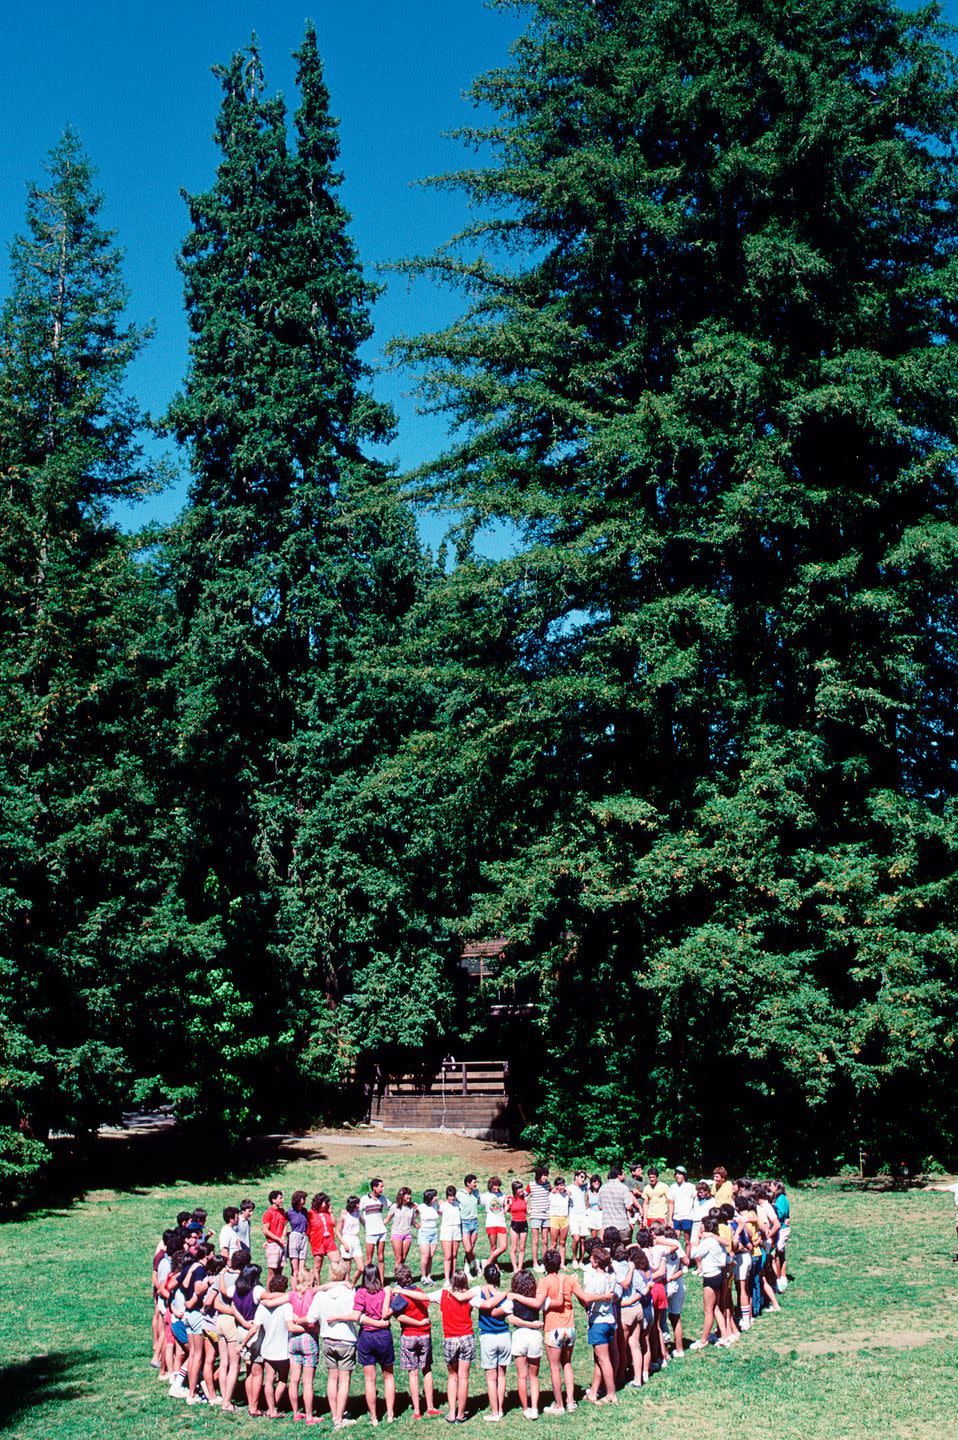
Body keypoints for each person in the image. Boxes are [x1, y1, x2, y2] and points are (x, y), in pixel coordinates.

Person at [306, 1259, 360, 1429]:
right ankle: (339, 1417)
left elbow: (310, 1319)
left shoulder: (321, 1295)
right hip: (346, 1341)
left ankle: (335, 1413)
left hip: (328, 1340)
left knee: (332, 1378)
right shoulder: (351, 1293)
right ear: (345, 1275)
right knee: (344, 1381)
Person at [349, 1262, 397, 1425]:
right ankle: (390, 1414)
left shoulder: (361, 1292)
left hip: (366, 1337)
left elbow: (357, 1315)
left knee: (370, 1380)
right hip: (383, 1336)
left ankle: (374, 1418)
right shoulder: (385, 1292)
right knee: (388, 1376)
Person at [392, 1265, 440, 1419]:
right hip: (424, 1335)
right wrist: (420, 1323)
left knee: (413, 1373)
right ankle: (431, 1406)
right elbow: (425, 1304)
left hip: (409, 1335)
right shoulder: (420, 1292)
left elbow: (398, 1316)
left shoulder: (400, 1296)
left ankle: (417, 1411)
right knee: (427, 1369)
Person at [576, 1243, 618, 1405]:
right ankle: (593, 1392)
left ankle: (611, 1393)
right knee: (598, 1359)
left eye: (592, 1258)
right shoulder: (611, 1277)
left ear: (596, 1262)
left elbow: (586, 1301)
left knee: (603, 1359)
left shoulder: (595, 1280)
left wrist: (577, 1289)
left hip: (598, 1322)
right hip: (609, 1319)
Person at [539, 1248, 578, 1414]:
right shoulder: (568, 1279)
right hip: (569, 1326)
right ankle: (570, 1401)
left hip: (553, 1327)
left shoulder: (544, 1281)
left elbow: (539, 1303)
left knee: (554, 1367)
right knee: (567, 1364)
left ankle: (559, 1404)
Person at [475, 1261, 511, 1421]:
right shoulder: (504, 1296)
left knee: (491, 1377)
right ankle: (501, 1409)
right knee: (502, 1375)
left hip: (488, 1336)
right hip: (504, 1336)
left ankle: (494, 1412)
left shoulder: (481, 1293)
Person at [507, 1269, 545, 1418]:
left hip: (519, 1335)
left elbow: (511, 1319)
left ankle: (525, 1409)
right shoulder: (535, 1298)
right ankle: (535, 1408)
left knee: (521, 1376)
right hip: (534, 1336)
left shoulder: (512, 1299)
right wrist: (533, 1325)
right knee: (534, 1376)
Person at [689, 1218, 731, 1349]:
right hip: (718, 1274)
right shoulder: (717, 1241)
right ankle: (724, 1337)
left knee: (708, 1311)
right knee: (716, 1307)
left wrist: (696, 1239)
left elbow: (693, 1253)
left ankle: (703, 1340)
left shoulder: (707, 1242)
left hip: (710, 1277)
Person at [287, 1266, 320, 1423]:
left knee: (294, 1379)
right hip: (308, 1337)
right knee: (307, 1381)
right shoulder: (312, 1294)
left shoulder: (292, 1295)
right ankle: (308, 1416)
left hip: (294, 1339)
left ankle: (295, 1412)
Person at [308, 1191, 341, 1285]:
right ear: (319, 1202)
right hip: (318, 1243)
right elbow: (307, 1229)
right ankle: (317, 1286)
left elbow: (334, 1223)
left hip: (330, 1242)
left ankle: (336, 1284)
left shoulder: (327, 1213)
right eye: (324, 1202)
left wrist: (330, 1212)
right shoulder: (311, 1214)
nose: (326, 1204)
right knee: (317, 1267)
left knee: (337, 1263)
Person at [360, 1179, 388, 1281]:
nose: (383, 1189)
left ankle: (381, 1283)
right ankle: (367, 1283)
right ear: (374, 1187)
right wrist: (365, 1224)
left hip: (382, 1232)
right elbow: (357, 1213)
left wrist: (387, 1219)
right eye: (381, 1186)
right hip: (371, 1233)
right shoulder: (364, 1199)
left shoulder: (383, 1198)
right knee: (369, 1260)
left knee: (381, 1258)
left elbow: (392, 1207)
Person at [598, 1167, 635, 1241]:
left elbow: (600, 1207)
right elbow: (628, 1206)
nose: (624, 1176)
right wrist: (632, 1212)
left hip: (607, 1228)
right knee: (623, 1250)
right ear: (618, 1175)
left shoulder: (602, 1188)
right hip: (622, 1227)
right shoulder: (623, 1188)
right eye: (623, 1174)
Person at [480, 1176, 509, 1268]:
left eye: (498, 1185)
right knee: (493, 1247)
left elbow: (504, 1209)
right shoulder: (485, 1196)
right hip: (491, 1223)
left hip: (501, 1223)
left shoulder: (502, 1195)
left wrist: (508, 1205)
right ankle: (496, 1267)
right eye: (494, 1185)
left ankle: (488, 1261)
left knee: (504, 1246)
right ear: (490, 1186)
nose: (496, 1187)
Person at [527, 1165, 552, 1271]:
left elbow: (553, 1192)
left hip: (546, 1215)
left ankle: (544, 1262)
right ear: (538, 1175)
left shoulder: (548, 1185)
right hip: (535, 1216)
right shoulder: (531, 1185)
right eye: (543, 1175)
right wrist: (527, 1208)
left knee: (545, 1241)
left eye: (546, 1175)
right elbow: (523, 1195)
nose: (545, 1177)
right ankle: (535, 1263)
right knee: (535, 1241)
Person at [386, 1186, 416, 1273]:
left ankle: (402, 1278)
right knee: (398, 1259)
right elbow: (387, 1219)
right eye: (407, 1195)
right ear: (401, 1196)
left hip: (407, 1234)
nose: (409, 1196)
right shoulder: (394, 1207)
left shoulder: (411, 1208)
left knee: (403, 1258)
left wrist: (421, 1227)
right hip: (397, 1234)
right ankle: (397, 1279)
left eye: (410, 1194)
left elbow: (413, 1222)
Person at [440, 1184, 463, 1285]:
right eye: (450, 1196)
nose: (452, 1198)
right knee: (448, 1256)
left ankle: (453, 1276)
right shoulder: (443, 1206)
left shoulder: (458, 1204)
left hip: (456, 1229)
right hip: (446, 1230)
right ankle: (446, 1279)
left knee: (454, 1255)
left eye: (453, 1195)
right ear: (447, 1196)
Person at [263, 1190, 289, 1281]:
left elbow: (285, 1225)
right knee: (272, 1274)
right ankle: (269, 1294)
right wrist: (278, 1239)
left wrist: (283, 1236)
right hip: (273, 1245)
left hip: (281, 1245)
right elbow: (265, 1231)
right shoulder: (268, 1213)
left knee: (279, 1273)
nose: (282, 1200)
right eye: (280, 1198)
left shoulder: (282, 1211)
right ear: (273, 1200)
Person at [667, 1166, 695, 1247]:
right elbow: (670, 1204)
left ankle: (687, 1258)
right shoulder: (672, 1187)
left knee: (687, 1241)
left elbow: (695, 1202)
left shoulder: (691, 1187)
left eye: (679, 1174)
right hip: (676, 1217)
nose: (677, 1176)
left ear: (684, 1175)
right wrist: (670, 1219)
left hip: (688, 1217)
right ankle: (676, 1259)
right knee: (674, 1240)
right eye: (676, 1174)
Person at [459, 1175, 481, 1277]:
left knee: (471, 1248)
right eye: (474, 1182)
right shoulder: (459, 1194)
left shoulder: (476, 1193)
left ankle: (468, 1270)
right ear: (468, 1183)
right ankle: (475, 1265)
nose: (476, 1184)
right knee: (468, 1249)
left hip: (475, 1223)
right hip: (465, 1223)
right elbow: (449, 1200)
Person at [417, 1189, 440, 1283]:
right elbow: (412, 1217)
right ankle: (423, 1276)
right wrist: (417, 1225)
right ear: (430, 1197)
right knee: (425, 1255)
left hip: (434, 1232)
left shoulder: (435, 1206)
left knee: (431, 1255)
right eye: (435, 1196)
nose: (437, 1197)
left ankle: (429, 1276)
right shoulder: (421, 1207)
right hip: (424, 1233)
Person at [287, 1191, 310, 1284]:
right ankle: (294, 1290)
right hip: (294, 1236)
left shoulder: (304, 1211)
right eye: (303, 1198)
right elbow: (283, 1223)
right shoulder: (290, 1212)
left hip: (303, 1236)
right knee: (295, 1269)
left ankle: (301, 1287)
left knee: (302, 1268)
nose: (304, 1200)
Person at [548, 1176, 573, 1263]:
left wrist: (567, 1192)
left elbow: (571, 1195)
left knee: (562, 1243)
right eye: (560, 1185)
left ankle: (562, 1263)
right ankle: (551, 1262)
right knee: (554, 1244)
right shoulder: (551, 1194)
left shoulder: (567, 1194)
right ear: (556, 1186)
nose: (562, 1187)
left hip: (564, 1219)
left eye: (563, 1185)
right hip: (554, 1219)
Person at [569, 1170, 590, 1266]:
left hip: (583, 1216)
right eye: (581, 1177)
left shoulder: (584, 1187)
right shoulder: (569, 1188)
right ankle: (574, 1259)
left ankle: (581, 1261)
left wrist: (585, 1173)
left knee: (583, 1240)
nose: (583, 1179)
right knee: (576, 1238)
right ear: (576, 1177)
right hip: (573, 1216)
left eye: (584, 1178)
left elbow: (595, 1179)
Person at [339, 1196, 362, 1283]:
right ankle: (347, 1288)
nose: (359, 1205)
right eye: (357, 1203)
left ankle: (352, 1284)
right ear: (353, 1204)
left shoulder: (358, 1213)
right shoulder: (344, 1215)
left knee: (361, 1268)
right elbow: (337, 1231)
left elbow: (364, 1223)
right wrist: (344, 1243)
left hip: (355, 1240)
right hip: (347, 1239)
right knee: (347, 1270)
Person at [508, 1179, 529, 1272]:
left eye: (521, 1187)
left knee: (522, 1247)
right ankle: (515, 1268)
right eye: (519, 1188)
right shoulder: (510, 1199)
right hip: (515, 1224)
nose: (521, 1190)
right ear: (514, 1190)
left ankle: (520, 1267)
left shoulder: (525, 1198)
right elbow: (505, 1210)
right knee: (513, 1248)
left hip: (524, 1223)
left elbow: (528, 1211)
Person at [587, 1176, 603, 1241]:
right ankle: (595, 1250)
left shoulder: (602, 1190)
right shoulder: (589, 1192)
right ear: (591, 1183)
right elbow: (587, 1204)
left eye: (598, 1181)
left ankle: (603, 1250)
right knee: (594, 1237)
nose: (597, 1182)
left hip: (601, 1213)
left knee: (602, 1237)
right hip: (592, 1214)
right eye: (594, 1181)